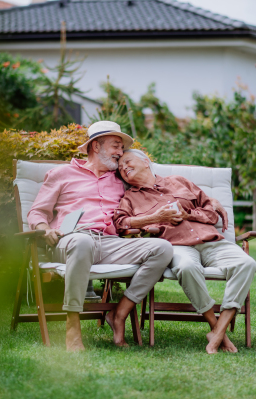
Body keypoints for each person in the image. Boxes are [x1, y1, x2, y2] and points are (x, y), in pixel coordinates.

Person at [27, 121, 173, 351]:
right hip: (70, 240)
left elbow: (156, 186)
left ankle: (120, 312)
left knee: (162, 248)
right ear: (96, 146)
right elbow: (37, 211)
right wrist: (45, 229)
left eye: (121, 148)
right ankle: (73, 324)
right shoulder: (61, 174)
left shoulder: (120, 180)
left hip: (109, 243)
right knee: (83, 242)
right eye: (116, 146)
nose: (120, 153)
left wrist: (205, 200)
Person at [113, 149, 256, 354]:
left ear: (146, 162)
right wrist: (154, 218)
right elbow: (120, 223)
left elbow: (211, 213)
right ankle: (216, 330)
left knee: (247, 264)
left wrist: (187, 214)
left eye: (127, 161)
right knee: (187, 267)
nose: (124, 167)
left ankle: (218, 332)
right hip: (176, 246)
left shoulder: (179, 181)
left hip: (211, 241)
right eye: (120, 168)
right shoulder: (130, 198)